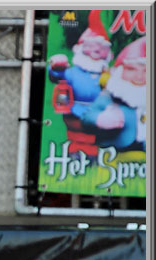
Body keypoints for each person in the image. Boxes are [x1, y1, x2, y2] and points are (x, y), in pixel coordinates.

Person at [47, 9, 112, 158]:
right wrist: (56, 67)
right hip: (75, 113)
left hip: (99, 115)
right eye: (91, 46)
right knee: (78, 140)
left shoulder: (106, 74)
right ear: (81, 48)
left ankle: (95, 158)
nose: (96, 50)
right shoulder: (73, 72)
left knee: (98, 142)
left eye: (102, 48)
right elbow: (57, 75)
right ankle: (75, 156)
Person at [81, 36, 146, 153]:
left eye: (146, 71)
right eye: (131, 70)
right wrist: (100, 119)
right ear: (120, 71)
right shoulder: (109, 97)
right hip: (115, 152)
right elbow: (87, 117)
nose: (139, 77)